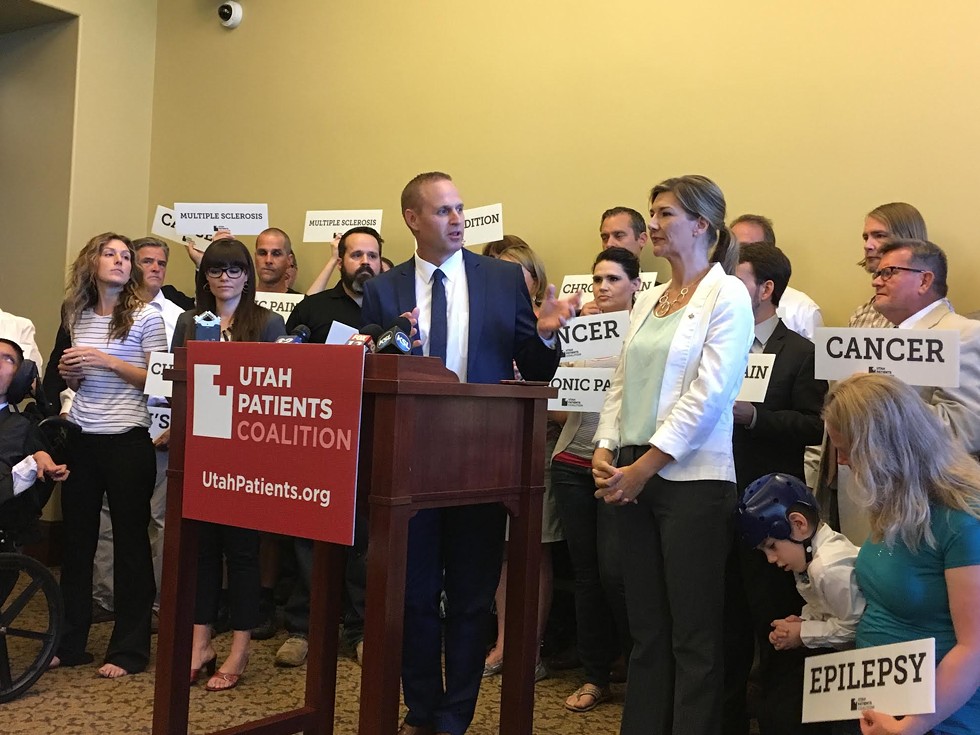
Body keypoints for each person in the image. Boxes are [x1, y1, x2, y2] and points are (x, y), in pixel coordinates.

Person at [362, 171, 576, 735]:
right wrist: (380, 346)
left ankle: (455, 717)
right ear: (412, 219)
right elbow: (370, 369)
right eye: (443, 211)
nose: (457, 220)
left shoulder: (503, 280)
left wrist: (548, 335)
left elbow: (534, 368)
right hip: (409, 460)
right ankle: (422, 706)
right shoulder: (385, 289)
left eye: (460, 209)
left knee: (471, 599)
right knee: (412, 597)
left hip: (482, 461)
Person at [592, 174, 754, 735]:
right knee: (647, 631)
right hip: (632, 472)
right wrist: (607, 447)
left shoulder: (726, 292)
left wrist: (643, 467)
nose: (653, 225)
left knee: (693, 635)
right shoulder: (651, 298)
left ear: (702, 225)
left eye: (664, 215)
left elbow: (709, 396)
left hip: (692, 481)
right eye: (652, 213)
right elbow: (622, 380)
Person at [823, 373, 980, 735]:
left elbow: (973, 650)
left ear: (885, 446)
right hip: (879, 701)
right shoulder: (896, 500)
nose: (842, 461)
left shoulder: (962, 520)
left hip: (938, 718)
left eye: (847, 449)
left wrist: (910, 726)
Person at [172, 238, 286, 691]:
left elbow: (279, 391)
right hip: (200, 448)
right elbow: (176, 378)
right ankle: (201, 642)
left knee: (241, 554)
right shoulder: (188, 321)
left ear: (247, 274)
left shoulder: (267, 322)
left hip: (248, 453)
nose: (225, 277)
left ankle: (239, 648)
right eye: (217, 269)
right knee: (201, 550)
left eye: (235, 269)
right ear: (205, 275)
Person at [725, 242, 829, 735]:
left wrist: (755, 417)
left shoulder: (801, 352)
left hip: (770, 510)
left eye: (737, 277)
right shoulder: (717, 341)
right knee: (721, 615)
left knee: (770, 612)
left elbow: (813, 426)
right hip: (713, 497)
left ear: (766, 289)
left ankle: (774, 714)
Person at [54, 232, 168, 677]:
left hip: (127, 440)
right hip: (83, 437)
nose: (120, 261)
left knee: (131, 544)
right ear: (92, 262)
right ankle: (70, 642)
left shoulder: (147, 316)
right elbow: (73, 381)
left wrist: (106, 361)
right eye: (111, 253)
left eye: (127, 256)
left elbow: (159, 383)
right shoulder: (74, 313)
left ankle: (128, 650)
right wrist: (72, 374)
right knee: (77, 543)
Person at [277, 226, 383, 668]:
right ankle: (304, 628)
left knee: (364, 538)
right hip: (318, 439)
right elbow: (287, 366)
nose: (365, 263)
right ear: (340, 261)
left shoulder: (397, 308)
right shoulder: (313, 309)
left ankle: (360, 628)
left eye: (372, 255)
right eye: (355, 254)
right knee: (309, 535)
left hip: (376, 438)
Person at [551, 247, 640, 713]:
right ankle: (594, 676)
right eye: (597, 279)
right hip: (572, 461)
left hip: (619, 465)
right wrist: (578, 353)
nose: (603, 288)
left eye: (613, 279)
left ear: (635, 286)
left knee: (616, 574)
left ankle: (637, 669)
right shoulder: (580, 333)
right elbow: (559, 405)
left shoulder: (644, 332)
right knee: (586, 575)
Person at [91, 236, 185, 631]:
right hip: (110, 426)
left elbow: (169, 382)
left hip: (159, 428)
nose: (154, 268)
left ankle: (159, 605)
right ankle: (103, 598)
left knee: (159, 519)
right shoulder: (94, 311)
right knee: (109, 520)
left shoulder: (178, 315)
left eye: (161, 262)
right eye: (145, 260)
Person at [482, 238, 561, 683]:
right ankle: (502, 640)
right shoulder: (486, 320)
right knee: (500, 549)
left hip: (539, 445)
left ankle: (528, 646)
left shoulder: (553, 321)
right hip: (488, 444)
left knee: (532, 550)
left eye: (513, 272)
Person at [735, 473, 864, 734]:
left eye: (772, 546)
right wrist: (804, 621)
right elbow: (827, 608)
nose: (771, 559)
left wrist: (803, 634)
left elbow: (856, 628)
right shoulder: (808, 561)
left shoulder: (826, 567)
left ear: (799, 524)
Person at [728, 214, 823, 341]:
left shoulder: (803, 310)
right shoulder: (714, 301)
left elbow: (816, 358)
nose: (738, 255)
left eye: (748, 248)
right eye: (732, 248)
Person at [849, 202, 927, 329]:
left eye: (879, 236)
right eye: (865, 237)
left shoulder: (930, 312)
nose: (867, 245)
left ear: (907, 239)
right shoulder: (861, 314)